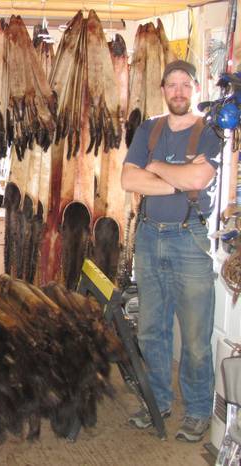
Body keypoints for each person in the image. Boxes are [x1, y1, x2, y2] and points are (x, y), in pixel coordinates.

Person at [121, 59, 221, 442]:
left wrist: (157, 166)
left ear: (195, 89)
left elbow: (200, 178)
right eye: (171, 84)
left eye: (185, 84)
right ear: (163, 89)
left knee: (195, 337)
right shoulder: (148, 129)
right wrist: (178, 179)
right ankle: (157, 402)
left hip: (189, 240)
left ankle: (197, 411)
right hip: (148, 237)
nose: (178, 91)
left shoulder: (209, 131)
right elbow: (129, 179)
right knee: (151, 331)